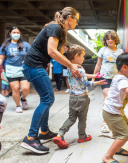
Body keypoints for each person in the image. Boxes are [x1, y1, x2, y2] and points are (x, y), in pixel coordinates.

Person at [20, 7, 82, 153]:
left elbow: (58, 55)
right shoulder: (55, 27)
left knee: (45, 98)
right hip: (34, 65)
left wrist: (72, 64)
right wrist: (71, 66)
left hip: (36, 65)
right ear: (70, 18)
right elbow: (51, 51)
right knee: (48, 99)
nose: (77, 23)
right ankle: (30, 138)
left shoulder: (60, 31)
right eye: (77, 20)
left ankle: (44, 132)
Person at [52, 45, 106, 149]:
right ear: (77, 56)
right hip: (82, 99)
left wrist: (94, 76)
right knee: (82, 118)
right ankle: (82, 137)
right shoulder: (80, 69)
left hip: (72, 98)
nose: (84, 58)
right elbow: (86, 83)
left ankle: (60, 135)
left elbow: (82, 76)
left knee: (71, 118)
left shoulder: (69, 68)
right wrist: (98, 82)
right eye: (83, 56)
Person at [0, 27, 31, 113]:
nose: (16, 34)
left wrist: (28, 60)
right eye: (14, 32)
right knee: (16, 88)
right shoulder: (5, 45)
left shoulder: (25, 44)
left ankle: (23, 99)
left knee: (26, 88)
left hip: (24, 69)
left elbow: (31, 55)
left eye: (18, 32)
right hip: (11, 69)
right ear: (10, 33)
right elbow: (1, 57)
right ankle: (18, 106)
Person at [92, 30, 124, 133]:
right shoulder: (102, 50)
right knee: (108, 98)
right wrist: (93, 77)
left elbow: (121, 67)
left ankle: (114, 120)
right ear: (105, 40)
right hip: (104, 77)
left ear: (115, 40)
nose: (109, 40)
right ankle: (105, 123)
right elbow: (98, 64)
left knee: (116, 99)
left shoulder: (120, 52)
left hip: (116, 78)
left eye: (111, 38)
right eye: (108, 39)